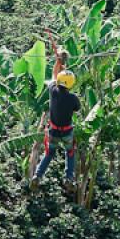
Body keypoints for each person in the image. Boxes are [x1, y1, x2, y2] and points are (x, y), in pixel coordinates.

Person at [30, 54, 80, 193]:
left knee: (49, 154)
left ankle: (37, 176)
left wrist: (59, 62)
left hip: (53, 131)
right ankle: (69, 178)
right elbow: (77, 108)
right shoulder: (73, 98)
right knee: (69, 152)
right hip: (67, 131)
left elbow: (54, 74)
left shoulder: (53, 91)